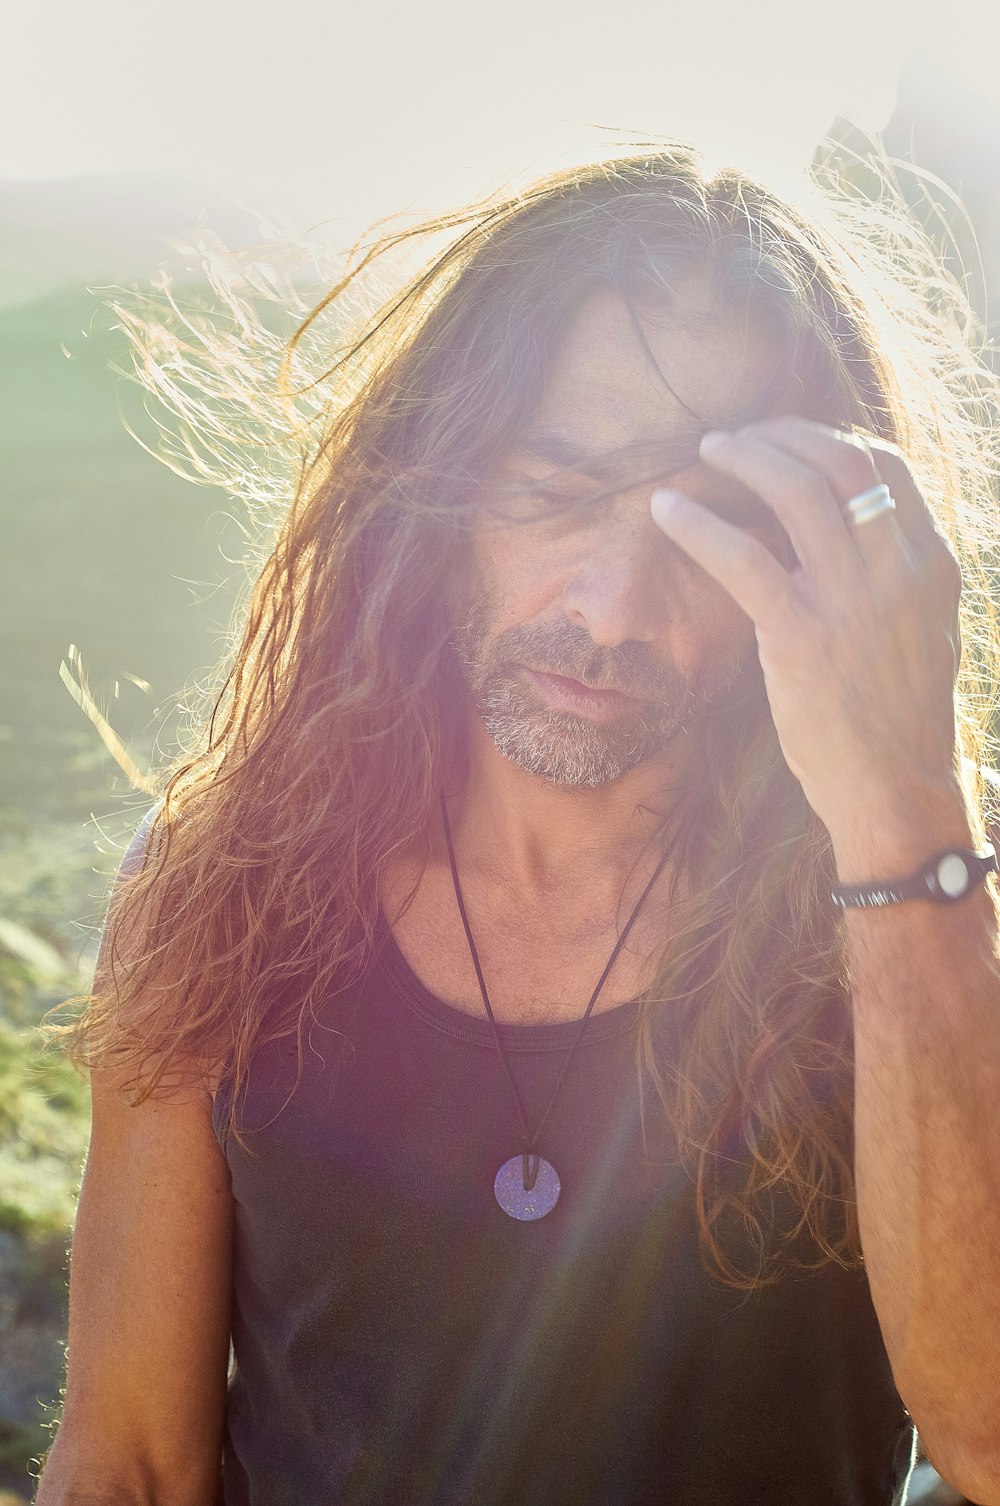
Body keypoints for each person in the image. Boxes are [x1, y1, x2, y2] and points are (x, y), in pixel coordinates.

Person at [33, 143, 1000, 1506]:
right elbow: (127, 1461)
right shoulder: (224, 879)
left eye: (705, 528)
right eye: (554, 491)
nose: (610, 609)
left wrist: (903, 800)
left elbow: (991, 1435)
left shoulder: (908, 916)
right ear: (436, 491)